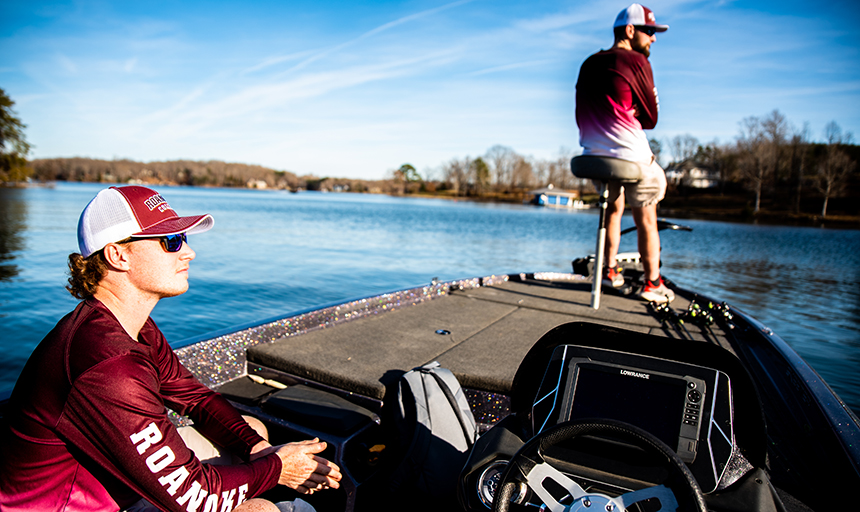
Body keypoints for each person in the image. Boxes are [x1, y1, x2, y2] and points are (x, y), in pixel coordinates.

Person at [0, 185, 342, 512]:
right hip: (73, 506)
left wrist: (261, 451)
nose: (189, 252)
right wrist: (277, 469)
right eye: (171, 241)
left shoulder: (131, 326)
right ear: (118, 255)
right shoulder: (109, 366)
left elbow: (195, 398)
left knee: (255, 431)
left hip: (112, 484)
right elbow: (195, 500)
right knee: (262, 509)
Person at [575, 3, 674, 303]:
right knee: (647, 215)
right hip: (631, 156)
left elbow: (582, 114)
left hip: (593, 155)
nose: (653, 39)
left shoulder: (589, 62)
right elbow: (652, 119)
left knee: (613, 209)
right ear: (630, 31)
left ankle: (609, 271)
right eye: (649, 32)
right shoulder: (636, 61)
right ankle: (653, 284)